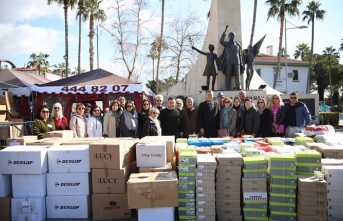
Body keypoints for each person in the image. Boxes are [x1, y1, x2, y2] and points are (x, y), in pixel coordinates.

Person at [219, 26, 244, 90]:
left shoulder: (238, 44)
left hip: (237, 61)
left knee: (237, 75)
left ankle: (238, 86)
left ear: (234, 37)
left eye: (233, 36)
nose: (231, 37)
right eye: (230, 36)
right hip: (229, 61)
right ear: (228, 37)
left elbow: (240, 54)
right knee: (228, 75)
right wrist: (225, 31)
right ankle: (227, 87)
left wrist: (241, 62)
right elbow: (221, 41)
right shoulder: (226, 44)